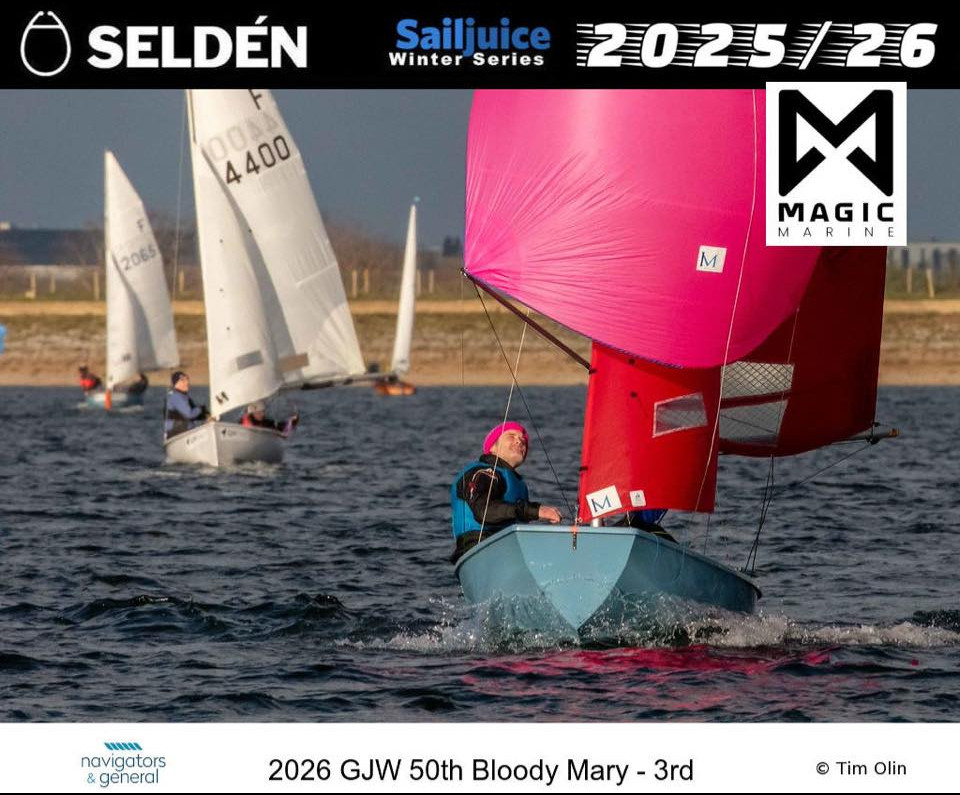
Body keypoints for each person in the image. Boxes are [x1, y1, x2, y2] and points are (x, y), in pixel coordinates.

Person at [450, 421, 562, 563]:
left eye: (523, 440)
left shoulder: (518, 483)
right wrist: (535, 511)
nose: (519, 441)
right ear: (493, 448)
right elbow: (484, 512)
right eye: (511, 436)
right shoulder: (483, 473)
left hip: (508, 551)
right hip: (478, 550)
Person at [164, 370, 209, 439]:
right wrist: (201, 409)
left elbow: (195, 415)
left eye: (187, 379)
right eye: (184, 380)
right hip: (176, 433)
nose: (187, 382)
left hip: (185, 431)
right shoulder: (175, 396)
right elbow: (189, 415)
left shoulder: (185, 398)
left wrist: (206, 417)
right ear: (177, 383)